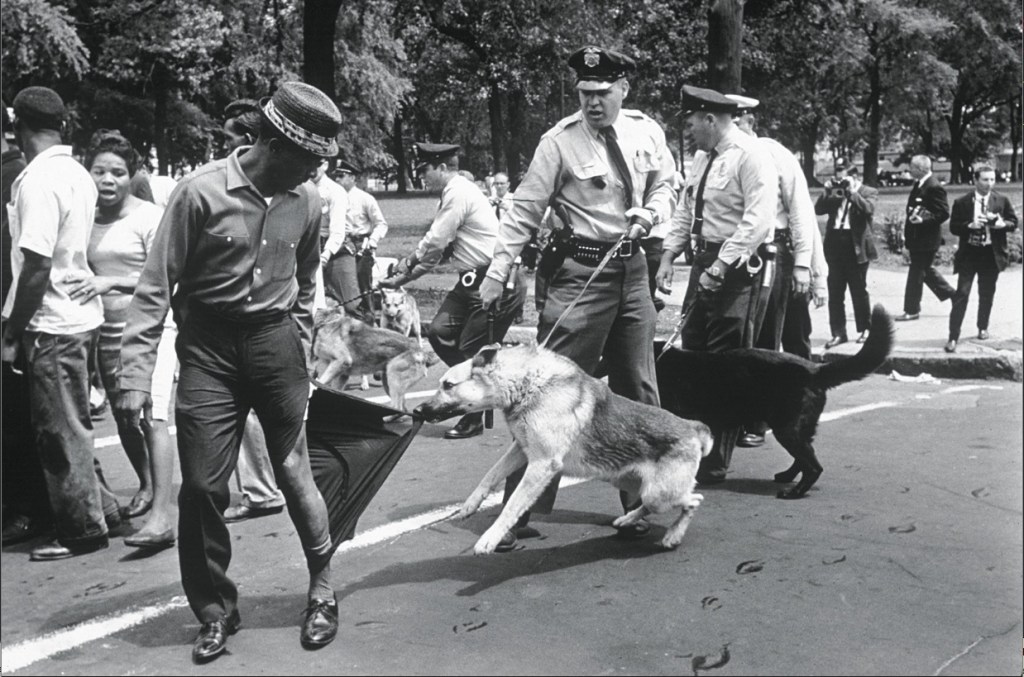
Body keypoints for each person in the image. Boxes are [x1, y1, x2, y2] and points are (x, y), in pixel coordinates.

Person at [115, 82, 343, 662]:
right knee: (202, 486)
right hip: (210, 350)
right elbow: (153, 288)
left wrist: (300, 336)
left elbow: (307, 274)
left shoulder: (308, 201)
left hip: (274, 345)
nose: (317, 171)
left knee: (295, 473)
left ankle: (322, 588)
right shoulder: (198, 193)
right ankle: (215, 609)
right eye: (310, 158)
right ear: (271, 143)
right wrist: (135, 375)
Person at [480, 46, 677, 548]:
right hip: (581, 273)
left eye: (603, 92)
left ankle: (639, 505)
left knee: (639, 390)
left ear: (624, 89)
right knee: (546, 394)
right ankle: (515, 514)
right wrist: (498, 270)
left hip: (632, 272)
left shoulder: (645, 130)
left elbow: (667, 184)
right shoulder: (558, 142)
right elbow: (524, 209)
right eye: (585, 92)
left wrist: (650, 215)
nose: (593, 102)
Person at [1, 87, 112, 561]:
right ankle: (102, 507)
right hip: (79, 316)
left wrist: (11, 333)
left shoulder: (37, 180)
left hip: (53, 320)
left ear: (16, 122)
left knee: (59, 431)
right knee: (75, 422)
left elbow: (36, 267)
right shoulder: (76, 173)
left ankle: (80, 530)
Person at [655, 84, 778, 486]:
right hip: (704, 261)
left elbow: (758, 221)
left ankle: (716, 461)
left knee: (726, 365)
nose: (689, 131)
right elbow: (686, 209)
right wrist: (669, 256)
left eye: (692, 123)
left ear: (711, 119)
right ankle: (697, 446)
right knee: (695, 357)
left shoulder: (751, 155)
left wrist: (722, 266)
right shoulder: (703, 158)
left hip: (737, 268)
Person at [64, 132, 178, 549]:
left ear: (132, 176)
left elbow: (166, 279)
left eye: (117, 172)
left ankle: (164, 515)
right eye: (99, 171)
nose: (107, 179)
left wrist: (109, 280)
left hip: (151, 330)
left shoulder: (149, 217)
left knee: (151, 415)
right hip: (105, 331)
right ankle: (147, 487)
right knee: (124, 416)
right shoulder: (84, 216)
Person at [381, 142, 526, 439]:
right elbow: (438, 253)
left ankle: (471, 411)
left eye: (425, 170)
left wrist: (406, 263)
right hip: (471, 280)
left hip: (496, 279)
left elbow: (434, 242)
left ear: (443, 168)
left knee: (470, 348)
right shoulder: (451, 194)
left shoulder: (459, 192)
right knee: (439, 332)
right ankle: (476, 389)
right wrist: (402, 280)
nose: (421, 177)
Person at [725, 94, 816, 448]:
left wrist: (805, 264)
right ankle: (734, 416)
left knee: (765, 340)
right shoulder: (720, 158)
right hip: (731, 253)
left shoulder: (773, 153)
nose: (734, 129)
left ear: (749, 121)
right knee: (736, 341)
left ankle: (759, 421)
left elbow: (799, 210)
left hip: (770, 254)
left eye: (739, 121)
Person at [218, 98, 289, 525]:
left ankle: (262, 488)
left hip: (256, 322)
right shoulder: (216, 186)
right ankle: (262, 485)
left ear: (249, 140)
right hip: (245, 322)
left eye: (228, 138)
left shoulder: (284, 193)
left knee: (250, 412)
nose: (223, 146)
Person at [1, 103, 53, 547]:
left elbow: (25, 262)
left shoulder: (19, 175)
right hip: (21, 312)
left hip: (18, 314)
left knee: (21, 418)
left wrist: (11, 329)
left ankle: (31, 510)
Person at [945, 164, 1019, 352]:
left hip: (990, 254)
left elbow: (1013, 222)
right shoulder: (962, 202)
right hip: (969, 254)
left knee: (986, 294)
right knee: (962, 293)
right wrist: (970, 225)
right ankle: (953, 336)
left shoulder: (1001, 200)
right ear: (975, 180)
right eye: (985, 180)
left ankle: (982, 327)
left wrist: (1001, 224)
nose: (989, 184)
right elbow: (953, 227)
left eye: (992, 179)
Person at [815, 157, 878, 348]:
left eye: (844, 178)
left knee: (859, 291)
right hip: (835, 244)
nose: (841, 182)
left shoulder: (868, 191)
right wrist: (828, 192)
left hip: (856, 246)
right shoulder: (835, 191)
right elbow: (818, 209)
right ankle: (838, 333)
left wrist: (852, 193)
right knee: (835, 292)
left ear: (854, 177)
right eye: (838, 177)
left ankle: (865, 329)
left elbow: (868, 209)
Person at [897, 154, 955, 321]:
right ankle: (955, 295)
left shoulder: (933, 186)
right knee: (924, 271)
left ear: (921, 169)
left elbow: (943, 213)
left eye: (912, 168)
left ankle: (912, 309)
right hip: (917, 239)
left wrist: (924, 220)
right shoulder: (920, 184)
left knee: (916, 273)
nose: (910, 170)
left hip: (926, 239)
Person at [333, 159, 388, 320]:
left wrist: (372, 242)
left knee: (362, 285)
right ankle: (348, 322)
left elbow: (381, 224)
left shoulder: (365, 198)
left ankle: (369, 320)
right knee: (342, 286)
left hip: (361, 245)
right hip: (341, 245)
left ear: (352, 178)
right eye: (336, 176)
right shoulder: (335, 198)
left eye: (341, 176)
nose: (337, 180)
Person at [781, 223, 828, 360]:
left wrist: (820, 282)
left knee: (796, 338)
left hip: (797, 278)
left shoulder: (799, 204)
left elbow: (813, 239)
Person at [313, 160, 351, 311]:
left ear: (325, 165)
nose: (312, 168)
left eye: (317, 163)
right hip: (309, 246)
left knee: (350, 303)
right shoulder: (298, 187)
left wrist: (325, 255)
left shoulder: (335, 191)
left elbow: (337, 232)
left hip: (336, 248)